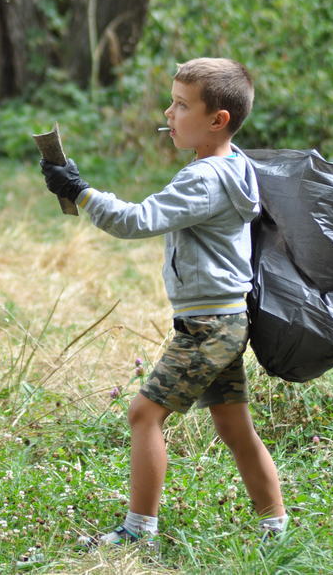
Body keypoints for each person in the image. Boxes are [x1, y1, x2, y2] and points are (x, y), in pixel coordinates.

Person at [40, 57, 287, 549]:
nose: (168, 113)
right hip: (225, 318)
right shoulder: (232, 166)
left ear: (217, 119)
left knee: (143, 414)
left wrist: (80, 192)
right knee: (234, 424)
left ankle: (138, 532)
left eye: (180, 105)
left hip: (209, 325)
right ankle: (275, 528)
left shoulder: (205, 179)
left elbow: (136, 221)